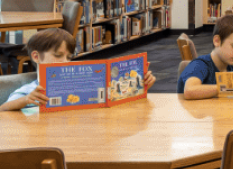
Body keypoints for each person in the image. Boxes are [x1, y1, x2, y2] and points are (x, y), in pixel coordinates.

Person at [2, 28, 156, 111]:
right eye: (58, 55)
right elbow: (3, 109)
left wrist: (138, 84)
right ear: (36, 56)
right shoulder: (32, 89)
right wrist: (26, 99)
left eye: (68, 57)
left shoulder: (82, 84)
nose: (64, 61)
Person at [178, 13, 233, 100]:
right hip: (192, 112)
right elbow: (189, 91)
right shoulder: (200, 65)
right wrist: (228, 88)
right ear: (217, 41)